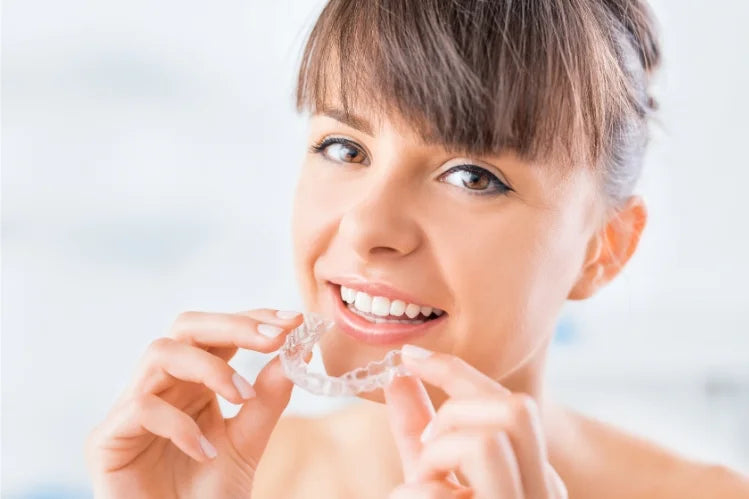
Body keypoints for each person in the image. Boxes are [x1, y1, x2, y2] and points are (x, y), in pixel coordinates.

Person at [84, 1, 749, 497]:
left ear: (602, 248)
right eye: (344, 148)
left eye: (471, 176)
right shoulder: (214, 477)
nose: (366, 227)